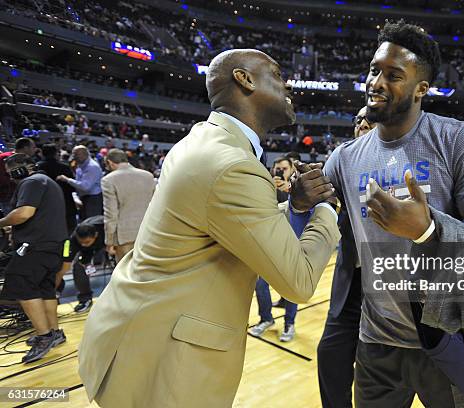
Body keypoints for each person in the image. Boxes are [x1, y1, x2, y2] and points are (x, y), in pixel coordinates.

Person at [78, 49, 341, 408]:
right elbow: (299, 280)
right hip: (163, 361)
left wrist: (294, 205)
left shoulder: (203, 142)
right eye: (278, 75)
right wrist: (327, 208)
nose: (288, 84)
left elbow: (228, 222)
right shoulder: (232, 163)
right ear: (244, 79)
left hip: (133, 333)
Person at [296, 21, 464, 406]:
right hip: (376, 345)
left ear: (421, 89)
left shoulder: (461, 140)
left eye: (393, 75)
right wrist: (297, 203)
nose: (376, 82)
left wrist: (428, 229)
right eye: (375, 70)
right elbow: (309, 226)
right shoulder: (344, 158)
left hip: (451, 337)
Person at [317, 106, 375, 407]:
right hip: (351, 285)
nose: (362, 123)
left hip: (391, 287)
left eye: (370, 118)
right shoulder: (343, 165)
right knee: (329, 356)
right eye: (357, 120)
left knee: (379, 374)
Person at [0, 154, 68, 363]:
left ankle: (44, 336)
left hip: (36, 246)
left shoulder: (31, 182)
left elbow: (24, 213)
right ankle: (55, 332)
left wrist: (2, 222)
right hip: (53, 246)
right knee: (45, 289)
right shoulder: (48, 182)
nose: (11, 178)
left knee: (21, 285)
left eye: (11, 173)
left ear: (19, 170)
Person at [250, 156, 300, 342]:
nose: (280, 172)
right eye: (276, 168)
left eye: (284, 168)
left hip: (291, 246)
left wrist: (288, 191)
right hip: (270, 246)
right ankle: (266, 318)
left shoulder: (299, 190)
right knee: (260, 284)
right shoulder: (266, 188)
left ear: (292, 169)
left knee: (290, 289)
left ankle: (289, 323)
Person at [101, 148, 156, 262]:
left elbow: (111, 213)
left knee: (125, 275)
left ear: (110, 162)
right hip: (148, 232)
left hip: (124, 236)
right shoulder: (148, 176)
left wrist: (109, 240)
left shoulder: (108, 180)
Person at [57, 216, 107, 313]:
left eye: (87, 242)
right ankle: (85, 299)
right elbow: (65, 266)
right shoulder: (71, 241)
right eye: (81, 242)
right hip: (87, 251)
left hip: (109, 240)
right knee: (78, 266)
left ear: (95, 235)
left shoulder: (105, 227)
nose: (83, 244)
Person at [37, 144, 78, 233]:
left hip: (44, 205)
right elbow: (73, 187)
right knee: (69, 232)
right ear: (56, 154)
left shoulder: (37, 167)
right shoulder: (64, 167)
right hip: (65, 205)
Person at [56, 145, 103, 219]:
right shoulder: (80, 165)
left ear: (85, 154)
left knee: (91, 224)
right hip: (84, 198)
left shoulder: (92, 167)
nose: (74, 156)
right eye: (73, 154)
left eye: (76, 154)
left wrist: (67, 180)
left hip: (93, 199)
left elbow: (85, 187)